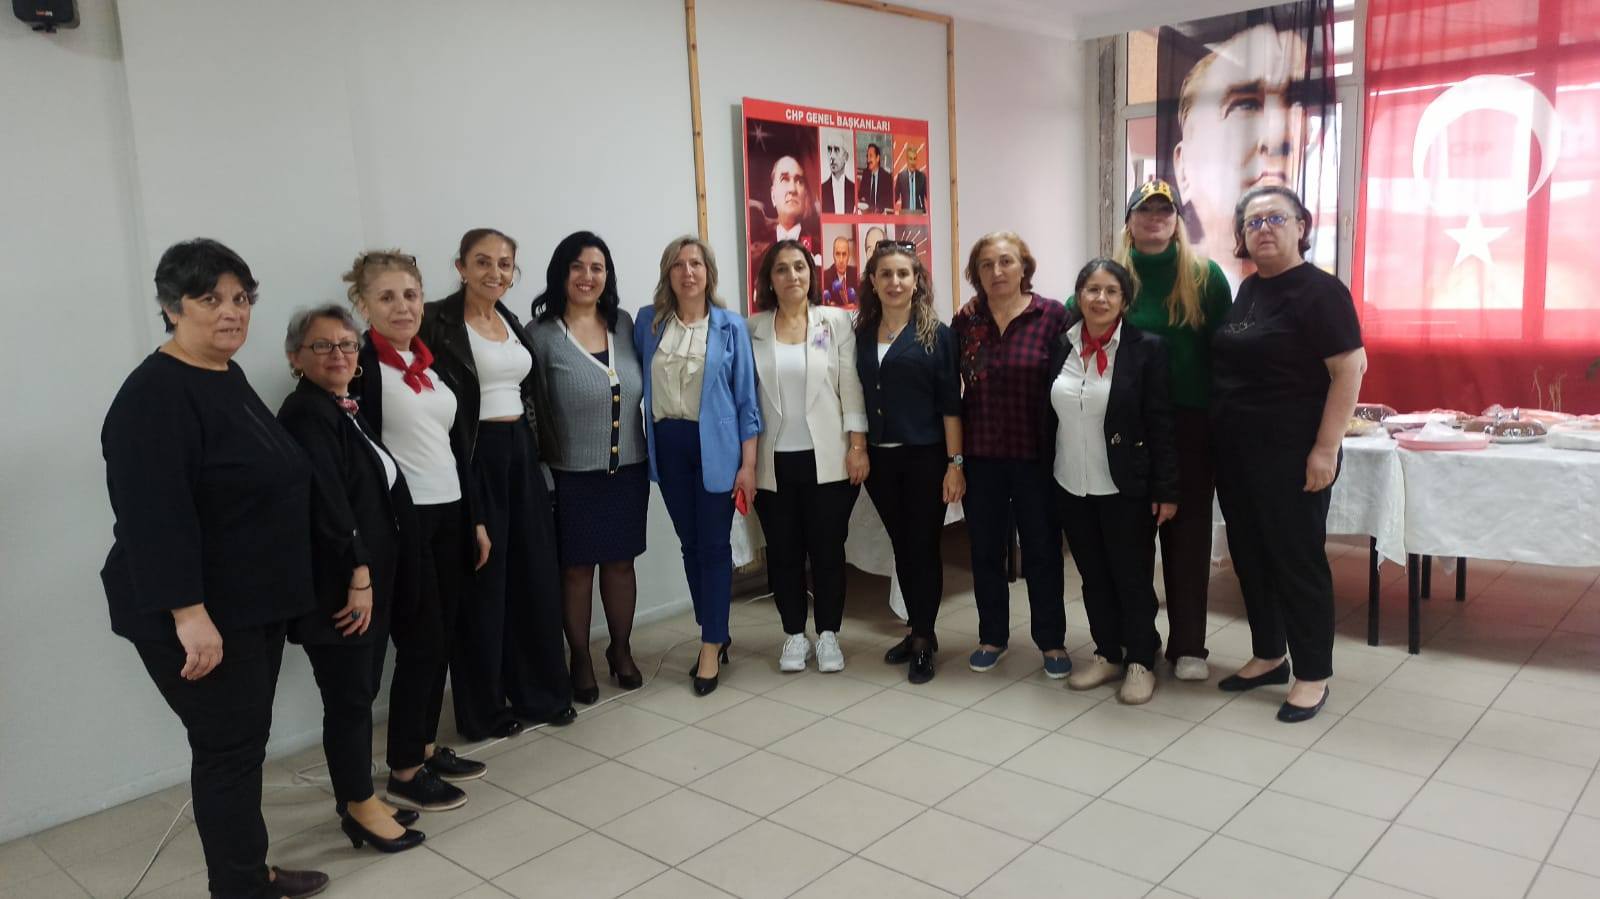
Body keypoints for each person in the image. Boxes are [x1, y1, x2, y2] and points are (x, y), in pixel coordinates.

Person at [101, 238, 328, 898]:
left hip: (247, 602)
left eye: (241, 298)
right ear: (173, 307)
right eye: (210, 299)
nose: (232, 311)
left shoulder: (222, 374)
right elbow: (153, 517)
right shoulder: (154, 396)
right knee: (228, 749)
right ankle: (239, 886)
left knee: (242, 744)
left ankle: (248, 871)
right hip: (196, 611)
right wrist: (188, 614)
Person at [1211, 185, 1365, 723]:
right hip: (1238, 455)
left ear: (1301, 226)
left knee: (1296, 562)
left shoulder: (1321, 292)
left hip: (1293, 455)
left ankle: (1313, 673)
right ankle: (1270, 655)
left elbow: (1350, 370)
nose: (1264, 229)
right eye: (1253, 222)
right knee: (1251, 558)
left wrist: (1326, 448)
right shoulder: (1250, 289)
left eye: (1276, 218)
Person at [278, 305, 424, 853]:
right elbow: (328, 503)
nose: (338, 354)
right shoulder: (305, 414)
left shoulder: (342, 409)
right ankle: (359, 806)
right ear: (296, 357)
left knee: (358, 692)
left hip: (366, 579)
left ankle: (359, 798)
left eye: (346, 344)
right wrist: (359, 574)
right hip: (341, 588)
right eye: (322, 345)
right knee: (349, 698)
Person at [347, 250, 487, 813]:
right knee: (421, 643)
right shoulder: (359, 367)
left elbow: (455, 446)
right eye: (386, 297)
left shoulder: (429, 361)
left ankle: (424, 748)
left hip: (450, 513)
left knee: (442, 638)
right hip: (404, 523)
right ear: (363, 306)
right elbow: (356, 462)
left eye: (410, 295)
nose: (402, 306)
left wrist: (475, 519)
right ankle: (404, 771)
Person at [421, 229, 576, 737]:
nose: (494, 272)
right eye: (482, 262)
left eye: (504, 264)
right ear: (461, 266)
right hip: (473, 454)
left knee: (534, 576)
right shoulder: (436, 323)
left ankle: (541, 694)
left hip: (520, 454)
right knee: (484, 585)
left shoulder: (509, 320)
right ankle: (484, 709)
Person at [1114, 179, 1233, 682]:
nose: (1155, 219)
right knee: (1131, 538)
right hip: (1127, 424)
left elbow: (1227, 352)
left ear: (1176, 219)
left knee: (1186, 539)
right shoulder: (1113, 275)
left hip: (1189, 423)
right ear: (1130, 220)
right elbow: (1075, 325)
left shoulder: (1205, 276)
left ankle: (1189, 646)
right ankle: (1137, 639)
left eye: (1165, 211)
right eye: (1145, 210)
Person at [1045, 260, 1178, 705]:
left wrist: (1166, 489)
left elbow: (1161, 422)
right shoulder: (1060, 345)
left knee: (1132, 576)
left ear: (1124, 300)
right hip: (1071, 481)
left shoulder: (1146, 349)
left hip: (1125, 486)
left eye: (1111, 291)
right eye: (1092, 289)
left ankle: (1141, 657)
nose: (1100, 299)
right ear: (1079, 295)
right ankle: (1107, 652)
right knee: (1092, 576)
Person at [634, 236, 762, 696]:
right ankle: (715, 627)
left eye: (695, 264)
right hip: (667, 446)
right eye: (678, 265)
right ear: (667, 274)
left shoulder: (730, 326)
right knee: (690, 545)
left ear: (708, 273)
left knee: (713, 546)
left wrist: (748, 465)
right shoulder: (648, 323)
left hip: (718, 449)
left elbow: (747, 401)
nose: (687, 272)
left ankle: (710, 644)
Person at [527, 232, 648, 705]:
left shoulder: (623, 324)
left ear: (607, 276)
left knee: (621, 563)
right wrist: (542, 471)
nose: (587, 276)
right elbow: (531, 409)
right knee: (576, 570)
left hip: (628, 470)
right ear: (561, 272)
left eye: (597, 267)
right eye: (577, 266)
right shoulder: (541, 334)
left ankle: (620, 649)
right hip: (571, 475)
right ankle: (579, 657)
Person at [952, 232, 1071, 677]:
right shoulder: (966, 322)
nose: (996, 271)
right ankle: (992, 636)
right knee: (985, 551)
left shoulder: (1052, 316)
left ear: (1024, 267)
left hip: (1035, 455)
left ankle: (1051, 641)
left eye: (1006, 262)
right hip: (981, 455)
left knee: (1042, 550)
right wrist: (955, 461)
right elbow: (951, 391)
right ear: (976, 274)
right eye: (986, 264)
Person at [749, 239, 868, 674]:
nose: (792, 276)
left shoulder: (834, 322)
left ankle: (829, 633)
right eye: (781, 269)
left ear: (811, 273)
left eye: (799, 267)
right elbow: (746, 398)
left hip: (829, 460)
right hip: (773, 462)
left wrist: (857, 446)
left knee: (827, 551)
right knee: (783, 552)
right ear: (770, 279)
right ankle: (794, 635)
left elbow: (850, 386)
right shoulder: (753, 328)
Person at [855, 241, 964, 684]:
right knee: (902, 547)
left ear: (917, 281)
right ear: (873, 281)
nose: (895, 282)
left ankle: (923, 638)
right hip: (880, 462)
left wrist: (955, 463)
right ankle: (918, 628)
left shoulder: (937, 335)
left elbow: (951, 406)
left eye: (903, 274)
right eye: (886, 274)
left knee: (923, 547)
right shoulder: (862, 333)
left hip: (925, 458)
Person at [1172, 22, 1314, 292]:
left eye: (1295, 102)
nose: (1278, 136)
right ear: (1184, 168)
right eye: (1245, 105)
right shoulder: (1181, 293)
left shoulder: (1321, 294)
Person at [820, 134, 857, 213]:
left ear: (846, 157)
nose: (832, 156)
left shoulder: (854, 189)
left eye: (836, 150)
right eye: (829, 150)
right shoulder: (821, 190)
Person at [821, 236, 858, 307]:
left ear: (848, 256)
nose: (841, 260)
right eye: (837, 254)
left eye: (844, 254)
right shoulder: (825, 277)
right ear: (833, 255)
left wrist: (856, 305)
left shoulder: (856, 273)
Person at [859, 142, 894, 213]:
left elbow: (890, 202)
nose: (868, 160)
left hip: (881, 214)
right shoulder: (865, 174)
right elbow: (860, 194)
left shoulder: (886, 177)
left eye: (870, 156)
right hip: (867, 213)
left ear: (877, 158)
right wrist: (862, 198)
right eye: (867, 156)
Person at [894, 144, 929, 215]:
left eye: (914, 159)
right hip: (905, 215)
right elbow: (895, 197)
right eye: (910, 159)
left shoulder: (922, 177)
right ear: (907, 160)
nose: (913, 162)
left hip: (920, 214)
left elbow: (929, 197)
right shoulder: (901, 177)